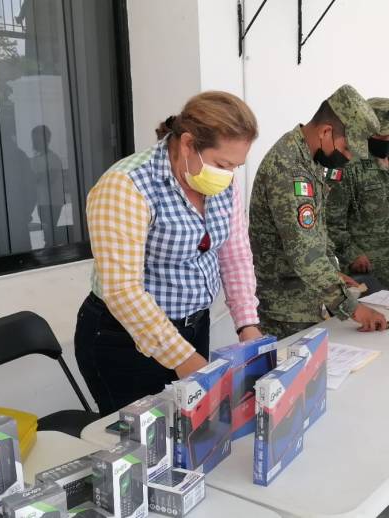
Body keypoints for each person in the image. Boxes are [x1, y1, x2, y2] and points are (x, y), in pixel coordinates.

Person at [74, 92, 263, 414]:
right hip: (125, 338)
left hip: (191, 327)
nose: (229, 175)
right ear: (188, 144)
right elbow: (122, 290)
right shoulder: (125, 186)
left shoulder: (220, 183)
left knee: (190, 427)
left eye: (235, 166)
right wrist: (185, 359)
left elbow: (235, 256)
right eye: (222, 164)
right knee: (142, 444)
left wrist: (248, 324)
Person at [249, 84, 388, 339]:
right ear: (326, 131)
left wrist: (334, 273)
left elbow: (311, 233)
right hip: (287, 311)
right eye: (346, 149)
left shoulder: (308, 158)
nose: (346, 157)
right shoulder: (289, 167)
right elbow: (304, 253)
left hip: (308, 298)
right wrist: (354, 308)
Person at [326, 97, 389, 291]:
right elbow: (329, 221)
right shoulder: (346, 165)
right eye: (381, 135)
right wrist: (351, 254)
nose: (388, 140)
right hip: (368, 277)